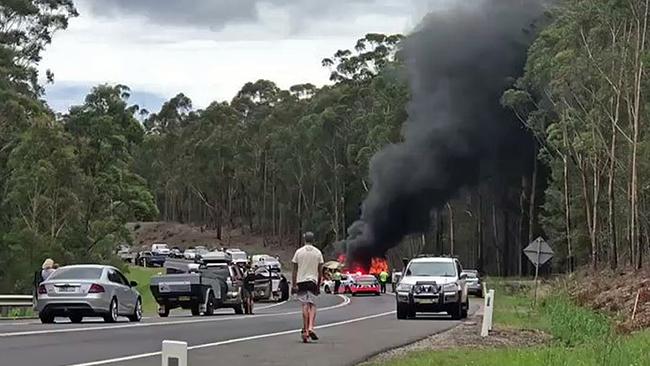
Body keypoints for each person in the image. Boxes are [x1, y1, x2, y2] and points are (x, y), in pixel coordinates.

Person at [292, 231, 324, 343]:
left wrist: (294, 284)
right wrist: (319, 284)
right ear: (313, 240)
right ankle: (311, 327)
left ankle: (305, 330)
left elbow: (295, 269)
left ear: (304, 239)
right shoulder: (318, 253)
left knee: (305, 305)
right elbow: (320, 271)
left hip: (301, 281)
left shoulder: (298, 252)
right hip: (313, 281)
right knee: (313, 305)